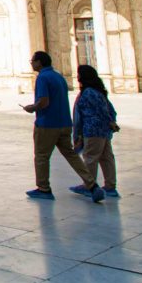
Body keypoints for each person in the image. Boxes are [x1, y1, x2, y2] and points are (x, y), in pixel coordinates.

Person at [22, 51, 104, 202]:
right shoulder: (58, 76)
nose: (32, 64)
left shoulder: (42, 77)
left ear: (39, 62)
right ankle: (92, 185)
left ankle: (43, 189)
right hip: (64, 123)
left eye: (32, 61)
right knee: (71, 155)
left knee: (41, 156)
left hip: (48, 124)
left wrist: (31, 108)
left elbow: (44, 101)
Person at [71, 64, 120, 198]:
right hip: (103, 130)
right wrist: (111, 122)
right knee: (106, 157)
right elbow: (110, 109)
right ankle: (110, 186)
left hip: (93, 129)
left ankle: (89, 185)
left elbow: (101, 111)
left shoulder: (89, 92)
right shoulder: (98, 91)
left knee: (90, 157)